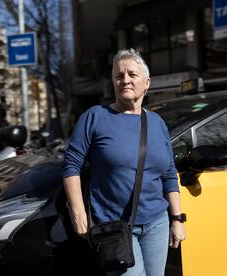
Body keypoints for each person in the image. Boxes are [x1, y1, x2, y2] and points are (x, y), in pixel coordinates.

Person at [62, 48, 186, 276]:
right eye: (119, 76)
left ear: (146, 83)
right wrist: (78, 213)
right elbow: (71, 164)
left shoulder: (157, 122)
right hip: (114, 228)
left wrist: (177, 219)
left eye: (132, 74)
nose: (125, 80)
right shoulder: (95, 117)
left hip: (157, 223)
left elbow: (169, 173)